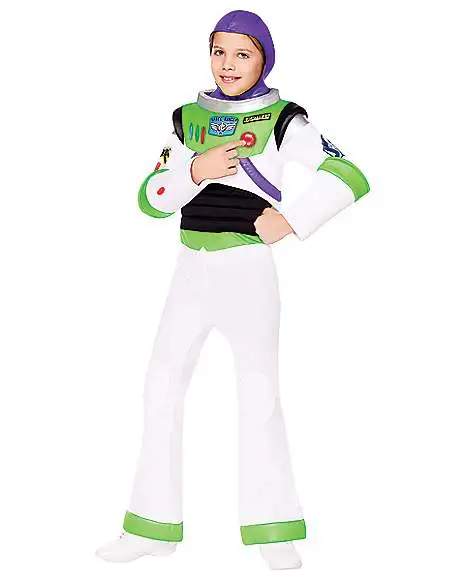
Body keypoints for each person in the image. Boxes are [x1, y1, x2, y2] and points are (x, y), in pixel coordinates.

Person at [96, 9, 369, 571]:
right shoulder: (187, 118)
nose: (228, 64)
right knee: (160, 387)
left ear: (264, 59)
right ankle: (152, 526)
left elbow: (348, 175)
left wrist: (291, 220)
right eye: (219, 51)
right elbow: (151, 198)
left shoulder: (284, 120)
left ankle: (273, 529)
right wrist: (197, 169)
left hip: (246, 268)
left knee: (258, 392)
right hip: (189, 268)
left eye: (242, 54)